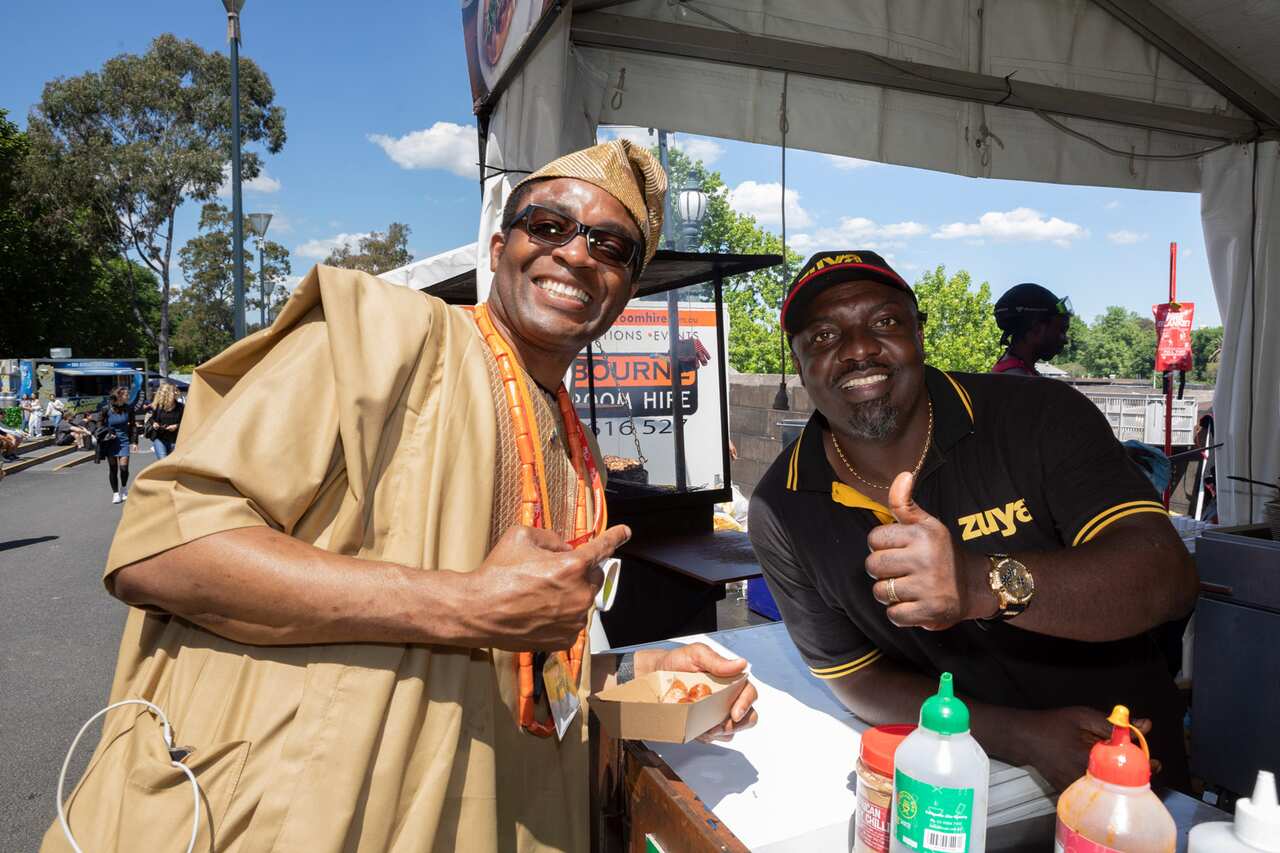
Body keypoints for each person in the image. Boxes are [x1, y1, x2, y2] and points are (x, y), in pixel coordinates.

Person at [45, 140, 758, 853]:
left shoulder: (580, 453)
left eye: (610, 246)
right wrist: (466, 603)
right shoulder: (382, 337)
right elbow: (162, 550)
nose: (576, 254)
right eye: (549, 226)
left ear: (625, 291)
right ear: (498, 244)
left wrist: (628, 672)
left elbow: (523, 660)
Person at [750, 250, 1197, 793]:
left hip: (1123, 769)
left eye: (885, 322)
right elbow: (855, 675)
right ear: (798, 364)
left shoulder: (1038, 416)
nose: (860, 348)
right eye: (823, 337)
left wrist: (979, 583)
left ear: (919, 333)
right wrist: (1022, 736)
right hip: (951, 784)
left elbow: (1165, 578)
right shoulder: (781, 506)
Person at [991, 282, 1073, 376]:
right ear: (1036, 328)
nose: (1065, 340)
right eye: (1061, 330)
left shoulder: (1014, 372)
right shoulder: (1019, 381)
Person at [96, 386, 137, 504]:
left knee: (124, 468)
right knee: (113, 468)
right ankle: (115, 493)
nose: (128, 396)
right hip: (110, 441)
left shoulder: (129, 408)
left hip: (124, 440)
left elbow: (133, 426)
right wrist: (107, 433)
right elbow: (99, 423)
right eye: (126, 394)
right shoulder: (106, 409)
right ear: (119, 396)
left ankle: (124, 489)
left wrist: (134, 441)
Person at [144, 381, 184, 459]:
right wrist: (154, 423)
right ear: (168, 394)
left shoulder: (180, 407)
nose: (176, 393)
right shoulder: (158, 407)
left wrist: (177, 426)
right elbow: (152, 419)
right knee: (163, 461)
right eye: (174, 391)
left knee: (172, 464)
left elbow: (186, 422)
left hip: (175, 440)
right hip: (160, 439)